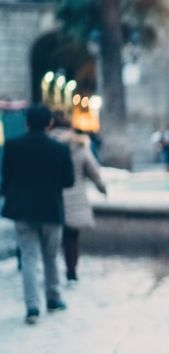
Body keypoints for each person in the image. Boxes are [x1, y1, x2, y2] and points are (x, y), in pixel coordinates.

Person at [0, 105, 74, 324]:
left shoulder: (13, 147)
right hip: (51, 209)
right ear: (49, 124)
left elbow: (6, 178)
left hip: (23, 210)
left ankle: (32, 306)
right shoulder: (60, 149)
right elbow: (68, 181)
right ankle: (53, 298)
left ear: (26, 123)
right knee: (50, 257)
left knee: (29, 257)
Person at [50, 112, 107, 286]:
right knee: (72, 237)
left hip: (51, 196)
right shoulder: (79, 145)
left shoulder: (48, 144)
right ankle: (71, 272)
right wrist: (102, 188)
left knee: (50, 238)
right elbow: (93, 170)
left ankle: (50, 273)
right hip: (75, 197)